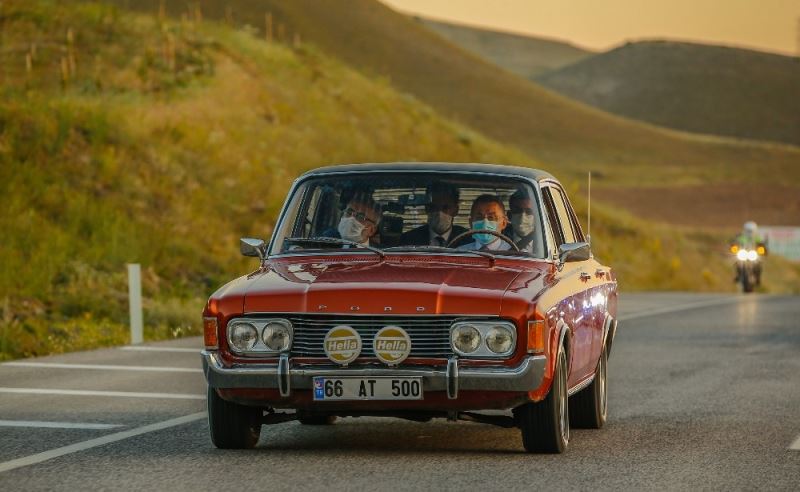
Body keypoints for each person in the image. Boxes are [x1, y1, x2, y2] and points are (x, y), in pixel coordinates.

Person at [400, 181, 468, 247]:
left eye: (445, 207)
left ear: (456, 210)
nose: (439, 213)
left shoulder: (467, 239)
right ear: (426, 208)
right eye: (433, 207)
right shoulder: (409, 240)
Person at [733, 221, 766, 285]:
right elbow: (735, 244)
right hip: (743, 253)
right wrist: (734, 248)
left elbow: (762, 245)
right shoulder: (741, 237)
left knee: (759, 264)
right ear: (744, 230)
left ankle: (758, 277)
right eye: (748, 230)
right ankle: (738, 275)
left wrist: (763, 250)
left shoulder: (758, 237)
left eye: (751, 230)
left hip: (753, 254)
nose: (749, 232)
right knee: (737, 263)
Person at [507, 188, 539, 255]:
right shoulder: (499, 237)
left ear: (537, 216)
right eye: (517, 211)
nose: (522, 217)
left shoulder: (545, 240)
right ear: (509, 215)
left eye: (529, 211)